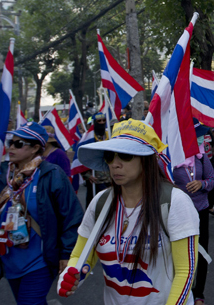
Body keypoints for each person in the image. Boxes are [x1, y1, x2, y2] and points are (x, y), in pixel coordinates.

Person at [58, 119, 200, 305]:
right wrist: (71, 277)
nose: (115, 164)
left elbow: (185, 271)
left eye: (125, 155)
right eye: (110, 156)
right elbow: (81, 255)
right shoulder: (99, 204)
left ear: (146, 160)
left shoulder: (175, 202)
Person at [0, 122, 83, 304]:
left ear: (35, 148)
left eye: (18, 144)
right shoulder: (3, 177)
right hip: (10, 262)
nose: (11, 147)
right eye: (10, 143)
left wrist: (66, 253)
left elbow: (72, 217)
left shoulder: (51, 175)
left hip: (40, 261)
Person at [173, 149, 214, 305]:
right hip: (179, 213)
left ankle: (199, 294)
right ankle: (181, 291)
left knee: (202, 251)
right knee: (180, 253)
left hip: (201, 210)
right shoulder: (168, 156)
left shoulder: (201, 156)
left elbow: (212, 179)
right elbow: (159, 182)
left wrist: (201, 184)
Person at [84, 112, 111, 206]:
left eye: (104, 120)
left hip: (110, 178)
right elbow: (81, 157)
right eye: (99, 121)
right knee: (95, 205)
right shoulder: (88, 138)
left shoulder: (110, 136)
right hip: (96, 179)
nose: (102, 122)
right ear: (94, 122)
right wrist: (87, 175)